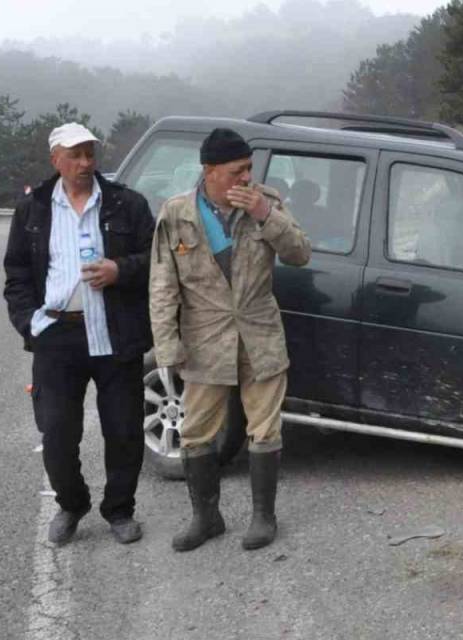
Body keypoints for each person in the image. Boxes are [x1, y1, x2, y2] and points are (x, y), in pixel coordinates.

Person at [149, 128, 310, 552]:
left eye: (249, 169)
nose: (245, 178)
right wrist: (166, 346)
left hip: (259, 333)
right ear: (210, 172)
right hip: (204, 338)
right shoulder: (177, 214)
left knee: (265, 427)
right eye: (236, 171)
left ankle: (263, 517)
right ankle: (206, 517)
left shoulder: (266, 201)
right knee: (196, 431)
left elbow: (299, 253)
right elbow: (162, 285)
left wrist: (264, 215)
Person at [2, 122, 154, 545]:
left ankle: (120, 510)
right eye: (76, 154)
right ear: (56, 160)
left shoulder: (127, 204)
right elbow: (16, 273)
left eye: (90, 153)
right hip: (57, 336)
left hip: (115, 332)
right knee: (57, 432)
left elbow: (156, 260)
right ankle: (71, 504)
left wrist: (120, 269)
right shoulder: (33, 210)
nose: (86, 162)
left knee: (123, 430)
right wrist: (30, 321)